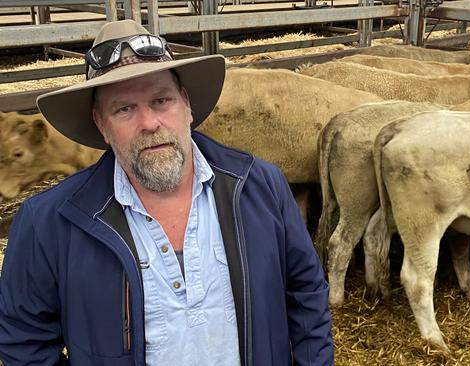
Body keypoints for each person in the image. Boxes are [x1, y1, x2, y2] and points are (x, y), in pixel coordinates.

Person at [0, 20, 333, 366]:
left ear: (186, 105)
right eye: (124, 108)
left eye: (161, 100)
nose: (149, 122)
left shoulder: (260, 187)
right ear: (101, 124)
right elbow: (25, 344)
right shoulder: (47, 224)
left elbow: (306, 297)